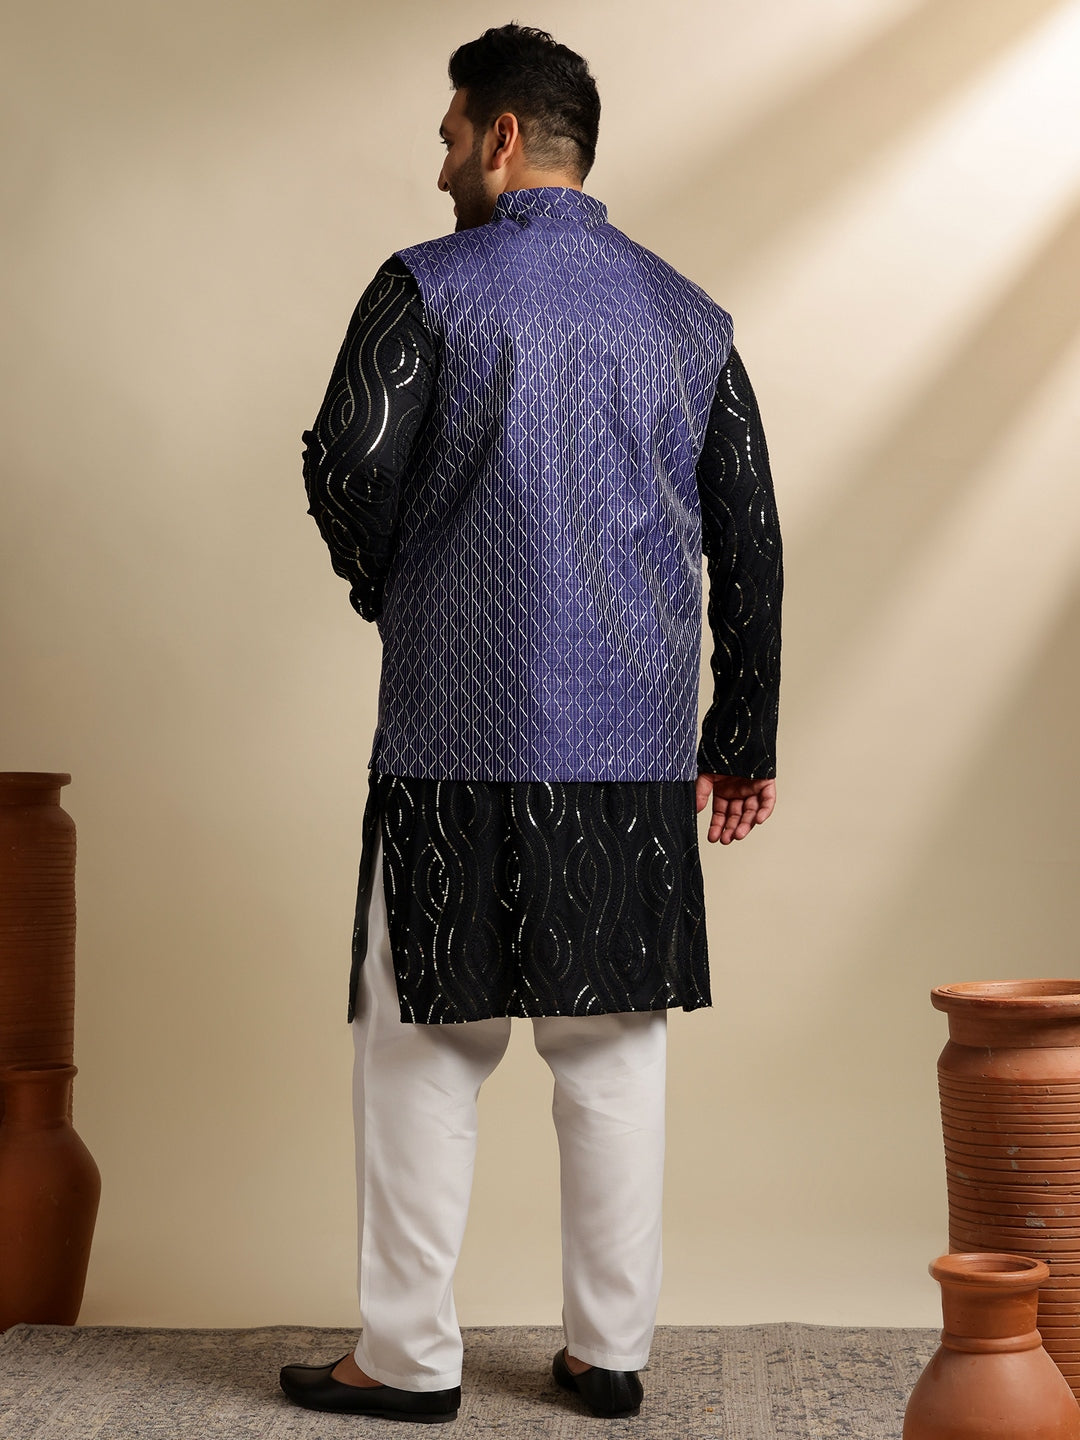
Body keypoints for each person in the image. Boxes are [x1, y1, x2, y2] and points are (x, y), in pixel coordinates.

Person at [280, 22, 782, 1426]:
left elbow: (346, 465)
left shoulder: (424, 288)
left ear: (502, 138)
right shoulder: (690, 318)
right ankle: (608, 1356)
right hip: (630, 751)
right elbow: (748, 537)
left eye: (450, 135)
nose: (439, 162)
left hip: (453, 734)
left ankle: (407, 1360)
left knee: (421, 1047)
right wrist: (742, 734)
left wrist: (398, 583)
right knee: (612, 1052)